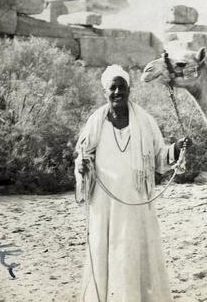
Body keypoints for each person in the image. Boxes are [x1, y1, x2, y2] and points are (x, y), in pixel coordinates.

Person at [75, 64, 185, 302]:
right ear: (105, 91)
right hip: (104, 205)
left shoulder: (145, 121)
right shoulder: (96, 121)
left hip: (136, 203)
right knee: (106, 253)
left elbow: (159, 158)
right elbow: (83, 156)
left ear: (129, 89)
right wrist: (82, 168)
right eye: (112, 88)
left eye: (121, 87)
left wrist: (176, 149)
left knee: (135, 254)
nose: (117, 92)